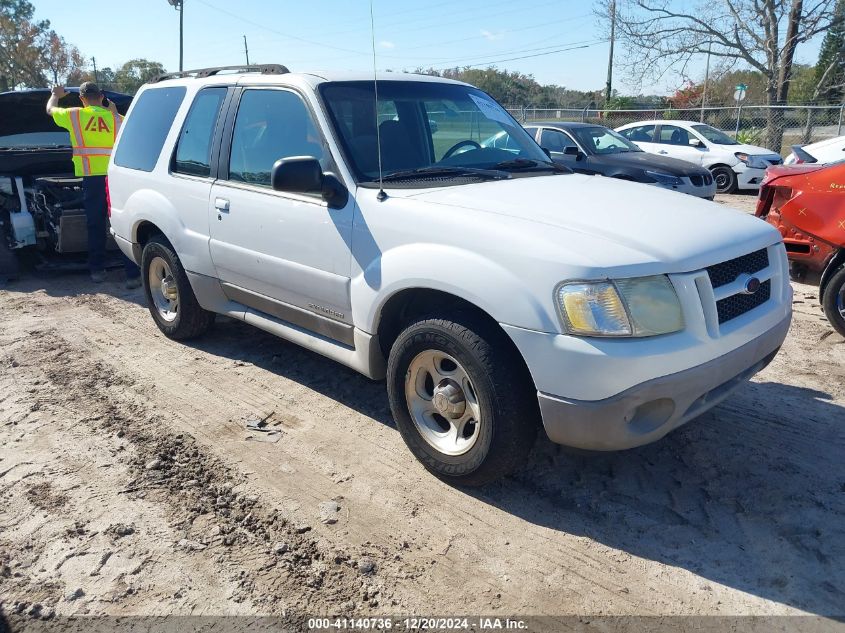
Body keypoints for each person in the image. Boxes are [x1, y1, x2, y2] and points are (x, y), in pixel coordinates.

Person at [46, 82, 141, 288]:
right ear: (102, 96)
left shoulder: (75, 115)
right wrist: (114, 112)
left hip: (92, 178)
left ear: (81, 99)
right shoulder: (117, 119)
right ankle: (133, 274)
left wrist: (56, 94)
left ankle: (98, 270)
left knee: (95, 224)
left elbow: (50, 110)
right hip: (116, 178)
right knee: (120, 223)